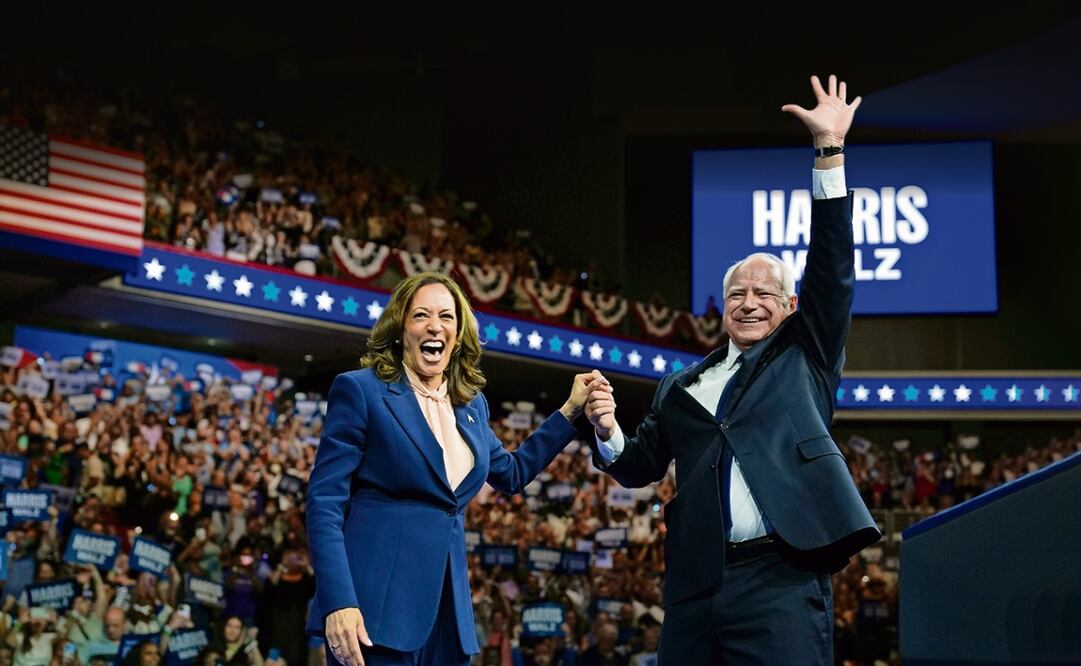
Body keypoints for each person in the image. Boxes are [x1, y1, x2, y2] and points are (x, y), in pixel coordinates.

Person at [583, 75, 881, 665]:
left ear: (790, 308)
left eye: (764, 293)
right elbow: (637, 466)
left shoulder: (806, 355)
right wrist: (607, 425)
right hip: (696, 586)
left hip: (783, 577)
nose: (748, 301)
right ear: (723, 311)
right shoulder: (681, 388)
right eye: (737, 293)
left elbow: (831, 269)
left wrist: (829, 153)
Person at [306, 271, 603, 666]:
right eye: (421, 316)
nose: (435, 326)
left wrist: (570, 411)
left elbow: (512, 473)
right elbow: (324, 502)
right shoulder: (361, 390)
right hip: (373, 612)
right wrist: (338, 601)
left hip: (447, 617)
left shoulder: (471, 406)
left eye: (446, 316)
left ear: (459, 333)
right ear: (400, 329)